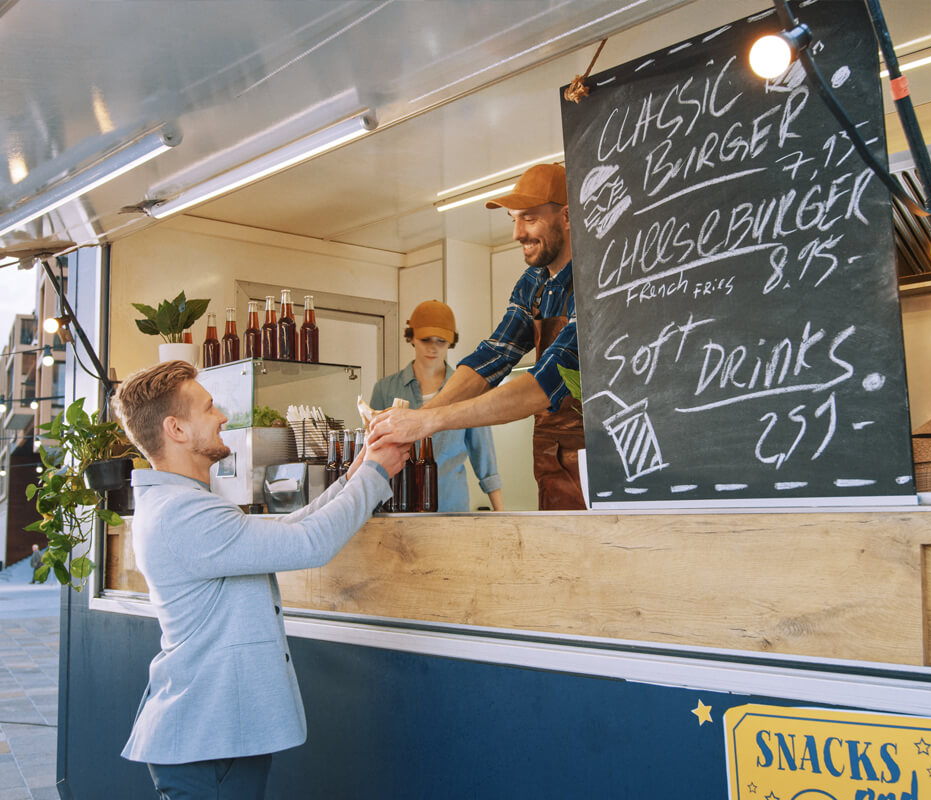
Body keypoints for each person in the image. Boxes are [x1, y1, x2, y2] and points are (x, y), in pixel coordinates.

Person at [112, 360, 406, 799]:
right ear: (176, 429)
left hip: (212, 737)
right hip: (207, 742)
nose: (223, 417)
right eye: (208, 408)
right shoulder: (182, 514)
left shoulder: (181, 504)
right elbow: (310, 544)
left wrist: (354, 472)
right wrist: (376, 473)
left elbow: (290, 530)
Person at [368, 163, 586, 510]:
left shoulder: (597, 281)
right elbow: (492, 358)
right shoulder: (534, 284)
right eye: (513, 219)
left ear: (567, 216)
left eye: (529, 218)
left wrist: (426, 420)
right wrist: (419, 419)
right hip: (549, 461)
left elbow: (547, 380)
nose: (516, 233)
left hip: (601, 466)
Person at [369, 299, 504, 511]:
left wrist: (501, 514)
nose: (433, 347)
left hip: (451, 508)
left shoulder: (468, 390)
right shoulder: (385, 390)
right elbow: (372, 453)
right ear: (411, 337)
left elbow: (484, 454)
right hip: (396, 507)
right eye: (426, 340)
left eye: (441, 341)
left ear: (451, 342)